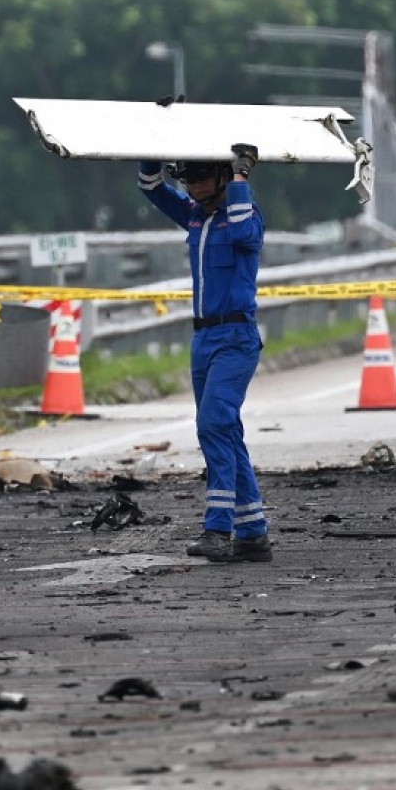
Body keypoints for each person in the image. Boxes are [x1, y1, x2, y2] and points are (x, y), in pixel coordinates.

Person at [136, 145, 271, 563]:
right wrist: (151, 143)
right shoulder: (194, 215)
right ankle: (253, 531)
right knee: (227, 431)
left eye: (201, 177)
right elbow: (151, 187)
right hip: (203, 341)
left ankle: (217, 529)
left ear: (224, 178)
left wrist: (242, 174)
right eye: (188, 177)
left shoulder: (246, 217)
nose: (193, 185)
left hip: (235, 338)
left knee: (213, 424)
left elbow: (245, 230)